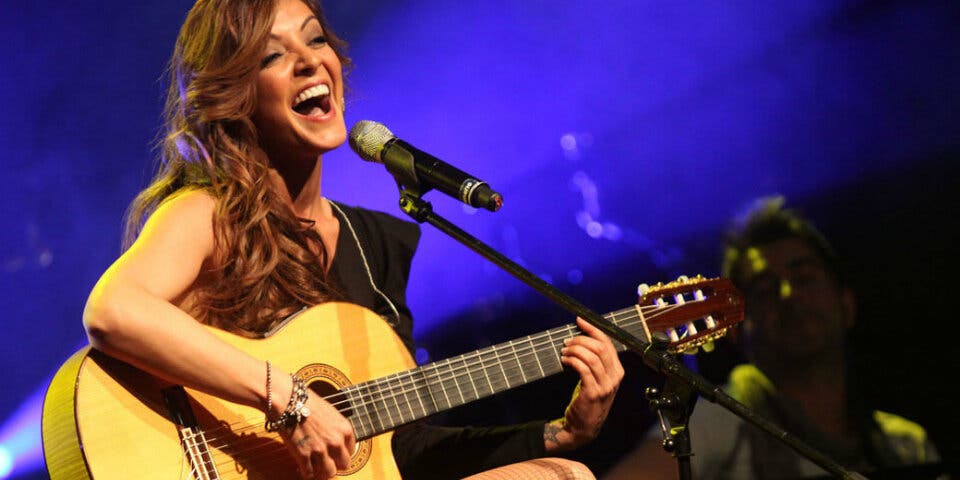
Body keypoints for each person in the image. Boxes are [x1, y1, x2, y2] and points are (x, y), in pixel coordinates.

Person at [80, 0, 624, 479]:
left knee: (563, 470)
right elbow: (114, 310)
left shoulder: (373, 244)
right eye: (272, 56)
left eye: (316, 38)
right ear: (234, 95)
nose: (310, 59)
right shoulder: (209, 213)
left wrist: (559, 433)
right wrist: (292, 400)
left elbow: (407, 454)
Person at [604, 196, 938, 479]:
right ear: (733, 328)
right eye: (764, 290)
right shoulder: (718, 424)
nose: (788, 295)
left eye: (804, 278)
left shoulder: (904, 444)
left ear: (846, 303)